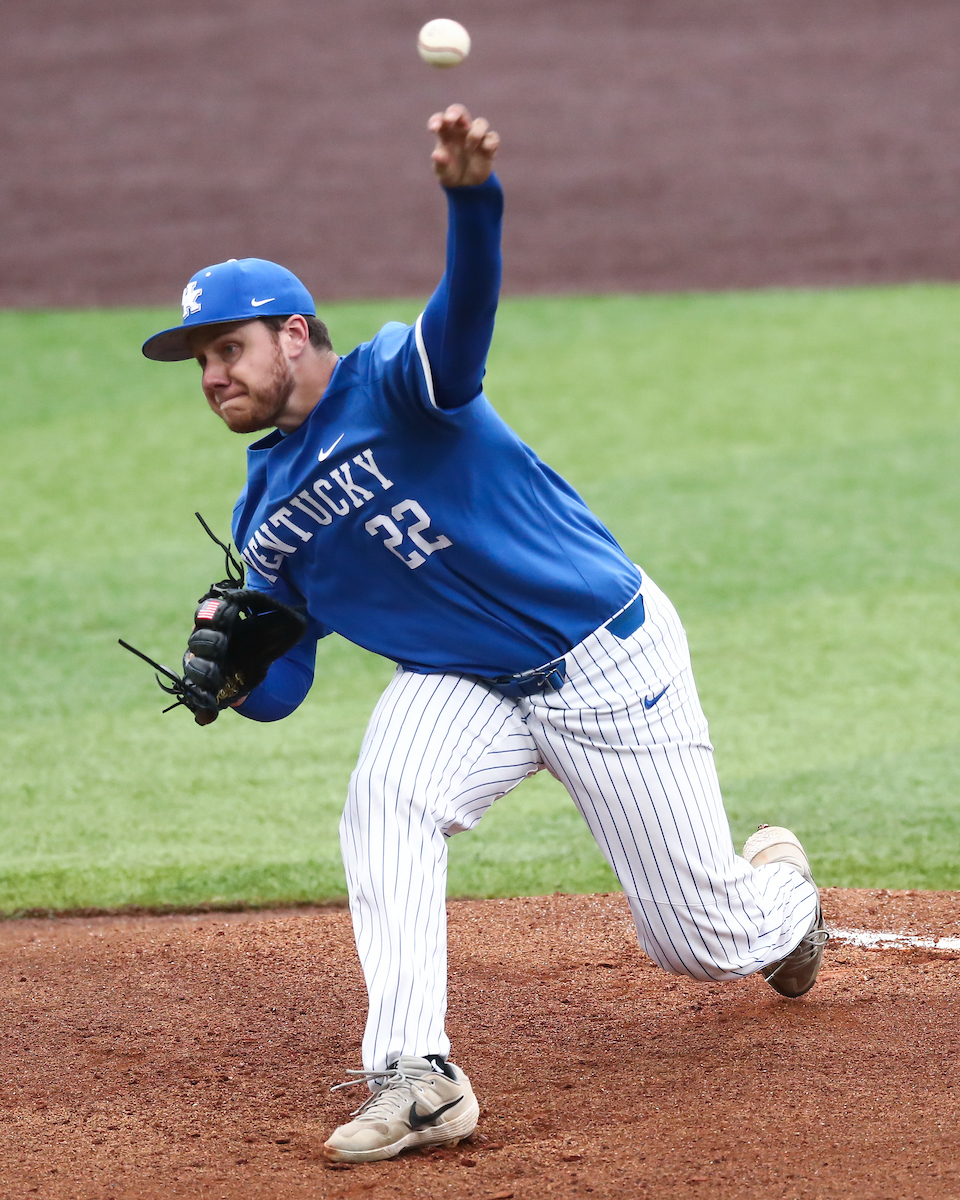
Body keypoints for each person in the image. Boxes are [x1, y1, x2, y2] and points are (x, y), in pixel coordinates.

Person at [141, 105, 828, 1164]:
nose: (213, 376)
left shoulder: (396, 385)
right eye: (198, 363)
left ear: (293, 334)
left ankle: (784, 902)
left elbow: (465, 315)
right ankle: (417, 1076)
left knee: (700, 943)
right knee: (386, 799)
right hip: (468, 684)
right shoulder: (264, 516)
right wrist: (233, 678)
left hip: (605, 657)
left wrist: (473, 198)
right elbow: (287, 687)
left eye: (227, 348)